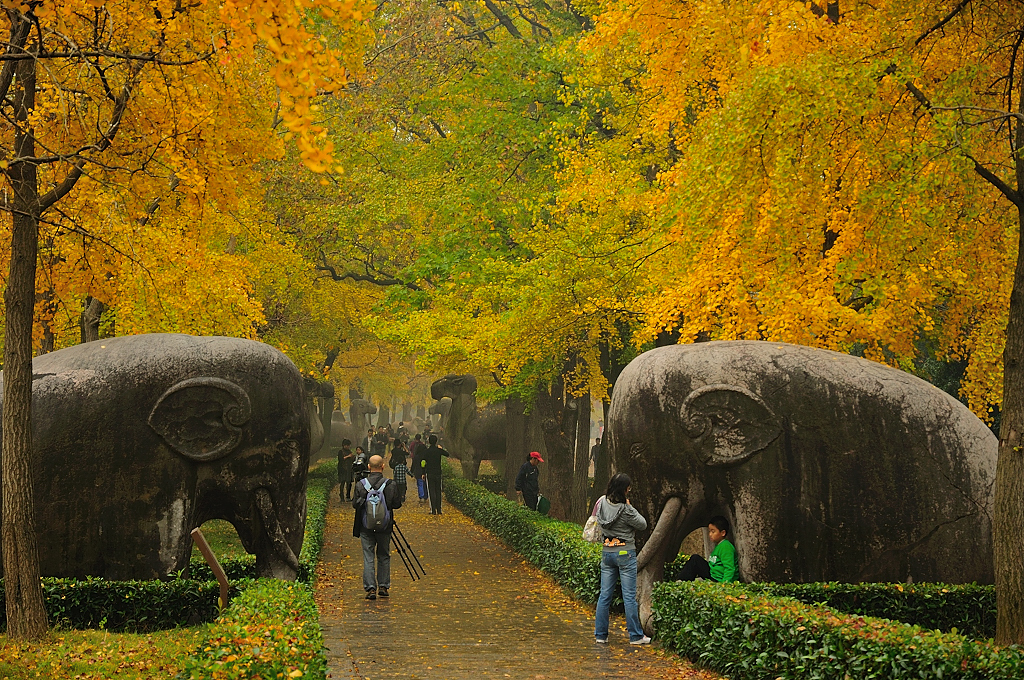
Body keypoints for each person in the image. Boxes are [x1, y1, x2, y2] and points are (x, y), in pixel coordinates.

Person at [593, 473, 650, 645]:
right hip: (625, 553)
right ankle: (635, 636)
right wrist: (630, 507)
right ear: (625, 490)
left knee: (604, 595)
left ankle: (601, 635)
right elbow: (642, 524)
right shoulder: (625, 509)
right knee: (629, 596)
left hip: (607, 552)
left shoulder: (601, 502)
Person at [352, 455, 403, 600]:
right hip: (384, 527)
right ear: (383, 466)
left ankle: (370, 589)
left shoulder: (361, 484)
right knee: (384, 555)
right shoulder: (390, 484)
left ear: (368, 467)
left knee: (368, 557)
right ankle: (383, 586)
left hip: (366, 526)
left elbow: (355, 504)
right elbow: (397, 504)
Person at [674, 516, 738, 583]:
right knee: (695, 560)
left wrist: (725, 584)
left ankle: (681, 581)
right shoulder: (719, 545)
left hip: (718, 579)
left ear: (723, 533)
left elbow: (729, 568)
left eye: (713, 532)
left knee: (695, 559)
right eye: (709, 531)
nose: (710, 534)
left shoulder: (726, 546)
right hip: (712, 574)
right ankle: (681, 581)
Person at [421, 434, 450, 515]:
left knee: (431, 491)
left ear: (429, 442)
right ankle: (439, 509)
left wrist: (423, 473)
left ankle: (433, 510)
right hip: (438, 472)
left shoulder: (426, 451)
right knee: (438, 491)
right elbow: (447, 454)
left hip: (430, 473)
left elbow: (423, 463)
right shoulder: (438, 450)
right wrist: (441, 448)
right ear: (436, 441)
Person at [389, 440, 410, 505]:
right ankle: (402, 495)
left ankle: (397, 495)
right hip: (401, 465)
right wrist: (404, 446)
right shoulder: (400, 451)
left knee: (396, 480)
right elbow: (407, 453)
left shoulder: (393, 450)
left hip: (395, 466)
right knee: (402, 481)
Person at [409, 434, 428, 503]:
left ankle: (421, 496)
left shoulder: (416, 457)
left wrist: (411, 472)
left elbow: (413, 464)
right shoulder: (426, 456)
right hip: (425, 472)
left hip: (418, 472)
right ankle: (426, 496)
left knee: (420, 484)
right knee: (425, 484)